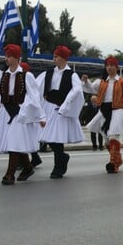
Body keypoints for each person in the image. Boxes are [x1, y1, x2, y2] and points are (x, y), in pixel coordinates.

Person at [0, 45, 45, 185]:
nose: (6, 59)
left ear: (16, 58)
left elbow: (34, 96)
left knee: (14, 143)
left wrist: (40, 116)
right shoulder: (3, 75)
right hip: (6, 113)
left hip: (20, 113)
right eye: (6, 56)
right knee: (14, 143)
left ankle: (10, 174)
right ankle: (27, 167)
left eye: (9, 56)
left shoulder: (26, 76)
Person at [36, 46, 85, 179]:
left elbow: (77, 90)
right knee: (46, 137)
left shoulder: (71, 74)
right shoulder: (48, 72)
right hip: (48, 107)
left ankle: (59, 167)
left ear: (63, 58)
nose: (54, 58)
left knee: (57, 138)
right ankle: (62, 157)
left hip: (60, 109)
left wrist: (66, 104)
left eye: (56, 56)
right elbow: (36, 86)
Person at [81, 56, 123, 173]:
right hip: (105, 111)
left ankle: (113, 163)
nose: (109, 67)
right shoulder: (101, 82)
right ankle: (117, 159)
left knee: (113, 136)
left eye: (112, 65)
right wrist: (86, 81)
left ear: (117, 67)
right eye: (108, 65)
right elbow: (90, 88)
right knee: (106, 139)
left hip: (118, 110)